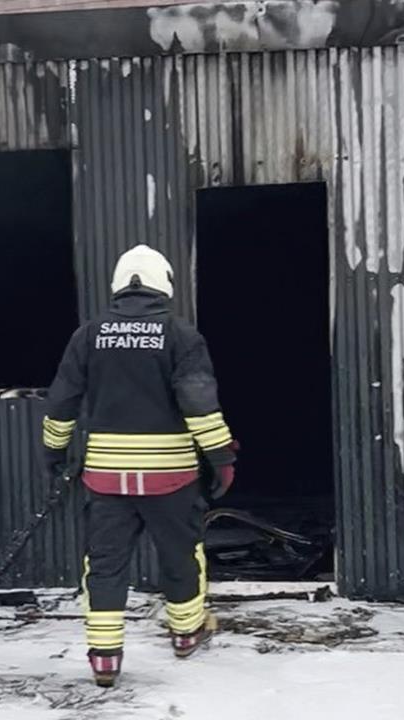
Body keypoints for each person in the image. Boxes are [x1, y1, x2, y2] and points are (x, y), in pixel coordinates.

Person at [42, 244, 237, 688]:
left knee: (105, 565)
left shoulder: (88, 335)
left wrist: (54, 451)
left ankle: (104, 658)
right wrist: (221, 457)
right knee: (180, 555)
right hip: (171, 477)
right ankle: (186, 633)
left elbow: (61, 403)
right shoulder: (181, 336)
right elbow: (199, 405)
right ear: (163, 283)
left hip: (106, 477)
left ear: (119, 284)